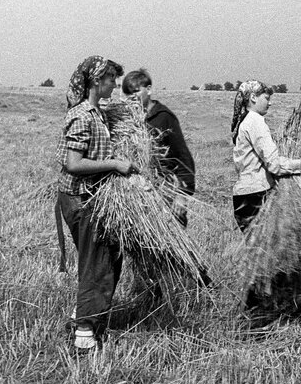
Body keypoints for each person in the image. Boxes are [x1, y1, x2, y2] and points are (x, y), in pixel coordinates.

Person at [56, 56, 136, 353]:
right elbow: (73, 164)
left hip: (95, 200)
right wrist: (114, 164)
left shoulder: (97, 113)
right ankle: (84, 335)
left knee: (110, 260)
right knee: (97, 264)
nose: (115, 84)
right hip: (80, 200)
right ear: (97, 81)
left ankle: (83, 314)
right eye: (111, 79)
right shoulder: (82, 116)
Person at [121, 69, 212, 288]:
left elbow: (183, 159)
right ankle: (153, 294)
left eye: (135, 91)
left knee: (174, 243)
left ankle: (202, 283)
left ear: (149, 89)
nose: (132, 98)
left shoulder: (164, 117)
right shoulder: (129, 120)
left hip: (166, 193)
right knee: (144, 249)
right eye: (127, 94)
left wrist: (182, 196)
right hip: (140, 195)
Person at [231, 80, 301, 232]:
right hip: (257, 196)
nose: (270, 104)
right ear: (254, 98)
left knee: (255, 252)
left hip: (243, 197)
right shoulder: (255, 121)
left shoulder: (245, 121)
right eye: (266, 98)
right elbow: (274, 165)